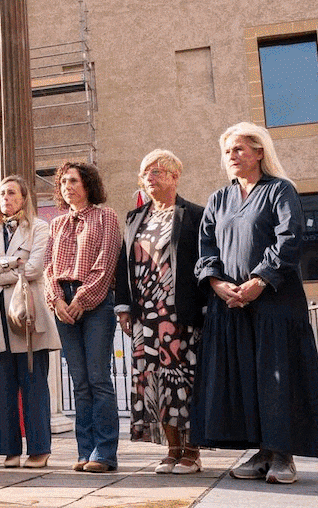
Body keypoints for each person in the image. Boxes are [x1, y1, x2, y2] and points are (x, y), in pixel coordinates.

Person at [191, 122, 318, 484]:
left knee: (278, 376)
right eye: (227, 152)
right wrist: (218, 283)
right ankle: (262, 451)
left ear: (259, 152)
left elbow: (290, 239)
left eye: (238, 149)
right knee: (246, 378)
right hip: (231, 304)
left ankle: (283, 454)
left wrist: (260, 280)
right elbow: (205, 248)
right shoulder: (219, 199)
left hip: (275, 302)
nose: (231, 157)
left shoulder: (280, 190)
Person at [114, 150, 205, 474]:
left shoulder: (194, 214)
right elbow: (124, 265)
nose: (150, 178)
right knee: (152, 380)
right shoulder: (135, 217)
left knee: (182, 380)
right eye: (145, 173)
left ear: (174, 176)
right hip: (146, 316)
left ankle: (191, 452)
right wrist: (123, 308)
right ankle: (172, 448)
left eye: (157, 172)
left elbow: (202, 263)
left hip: (179, 313)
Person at [0, 175, 58, 468]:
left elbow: (34, 269)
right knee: (5, 387)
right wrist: (10, 264)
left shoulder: (39, 228)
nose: (5, 198)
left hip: (27, 316)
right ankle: (9, 449)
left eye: (11, 193)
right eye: (1, 194)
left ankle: (39, 448)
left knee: (34, 383)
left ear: (24, 198)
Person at [44, 161, 122, 473]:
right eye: (63, 183)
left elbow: (107, 260)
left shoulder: (107, 217)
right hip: (63, 303)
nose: (68, 187)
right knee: (79, 382)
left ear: (87, 184)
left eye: (73, 181)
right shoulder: (56, 224)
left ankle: (105, 453)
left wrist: (83, 298)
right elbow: (48, 267)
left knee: (98, 379)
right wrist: (56, 300)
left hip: (96, 304)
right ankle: (85, 450)